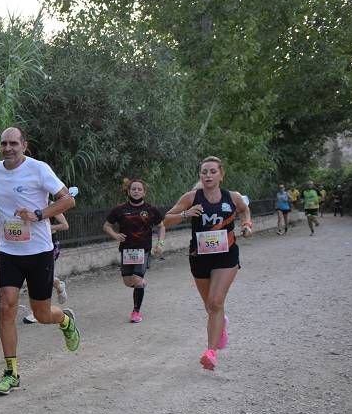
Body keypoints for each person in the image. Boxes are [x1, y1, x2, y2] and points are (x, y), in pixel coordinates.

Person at [0, 126, 81, 396]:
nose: (8, 148)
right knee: (6, 307)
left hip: (39, 252)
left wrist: (39, 214)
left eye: (13, 143)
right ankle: (11, 373)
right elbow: (2, 202)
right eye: (4, 143)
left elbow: (68, 200)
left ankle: (65, 320)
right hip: (10, 253)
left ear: (24, 145)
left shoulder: (39, 169)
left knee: (42, 314)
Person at [163, 156, 252, 371]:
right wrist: (185, 214)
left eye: (212, 171)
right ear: (200, 175)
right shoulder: (192, 197)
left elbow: (244, 210)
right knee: (210, 306)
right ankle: (221, 325)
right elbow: (166, 220)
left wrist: (247, 224)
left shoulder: (233, 197)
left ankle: (210, 352)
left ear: (221, 174)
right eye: (204, 172)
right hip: (199, 256)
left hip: (226, 256)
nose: (208, 175)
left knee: (215, 301)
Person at [102, 178, 166, 323]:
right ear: (128, 191)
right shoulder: (119, 210)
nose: (136, 191)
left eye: (139, 189)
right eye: (133, 189)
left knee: (136, 280)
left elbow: (161, 226)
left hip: (143, 250)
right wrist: (115, 235)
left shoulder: (151, 210)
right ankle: (141, 284)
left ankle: (136, 312)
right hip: (127, 250)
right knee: (127, 282)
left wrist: (160, 243)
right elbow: (106, 226)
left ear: (144, 192)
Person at [21, 212, 69, 323]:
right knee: (39, 278)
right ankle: (59, 285)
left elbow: (65, 225)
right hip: (30, 245)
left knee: (39, 280)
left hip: (49, 245)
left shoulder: (52, 205)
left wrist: (46, 227)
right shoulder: (25, 204)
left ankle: (37, 311)